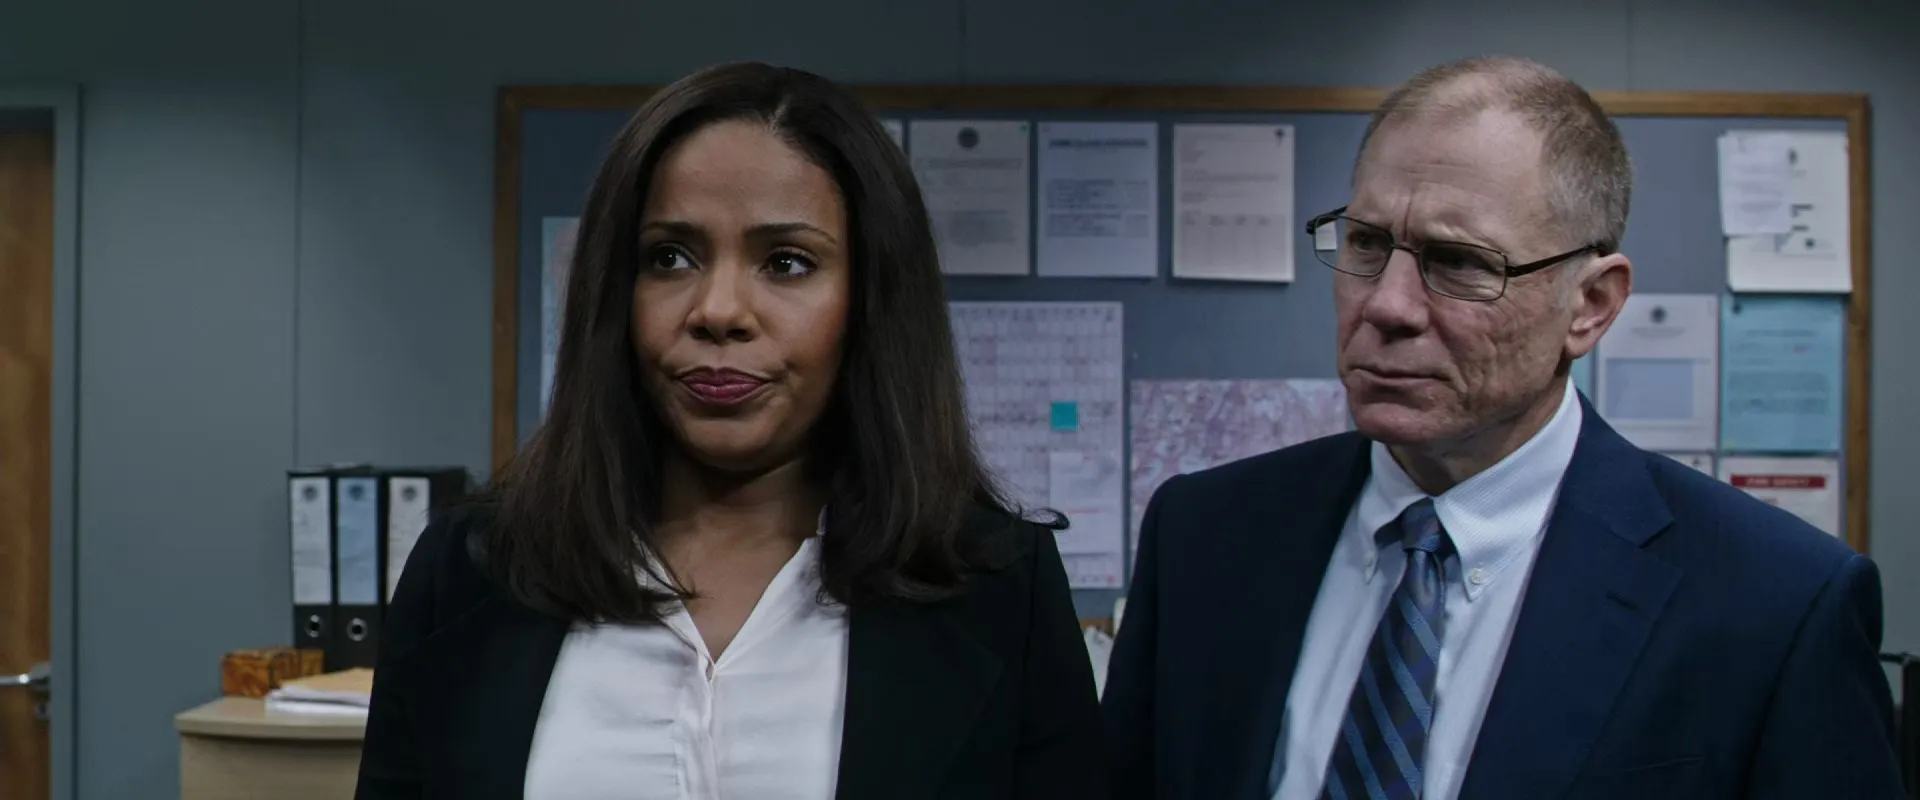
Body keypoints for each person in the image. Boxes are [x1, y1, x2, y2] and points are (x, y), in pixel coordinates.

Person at [1101, 55, 1902, 799]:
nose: (1386, 305)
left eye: (1459, 263)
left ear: (1590, 306)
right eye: (1368, 243)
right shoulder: (1207, 535)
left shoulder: (1774, 603)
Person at [354, 61, 1106, 800]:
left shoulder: (999, 590)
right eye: (670, 257)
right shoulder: (468, 573)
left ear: (870, 300)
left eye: (787, 262)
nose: (718, 310)